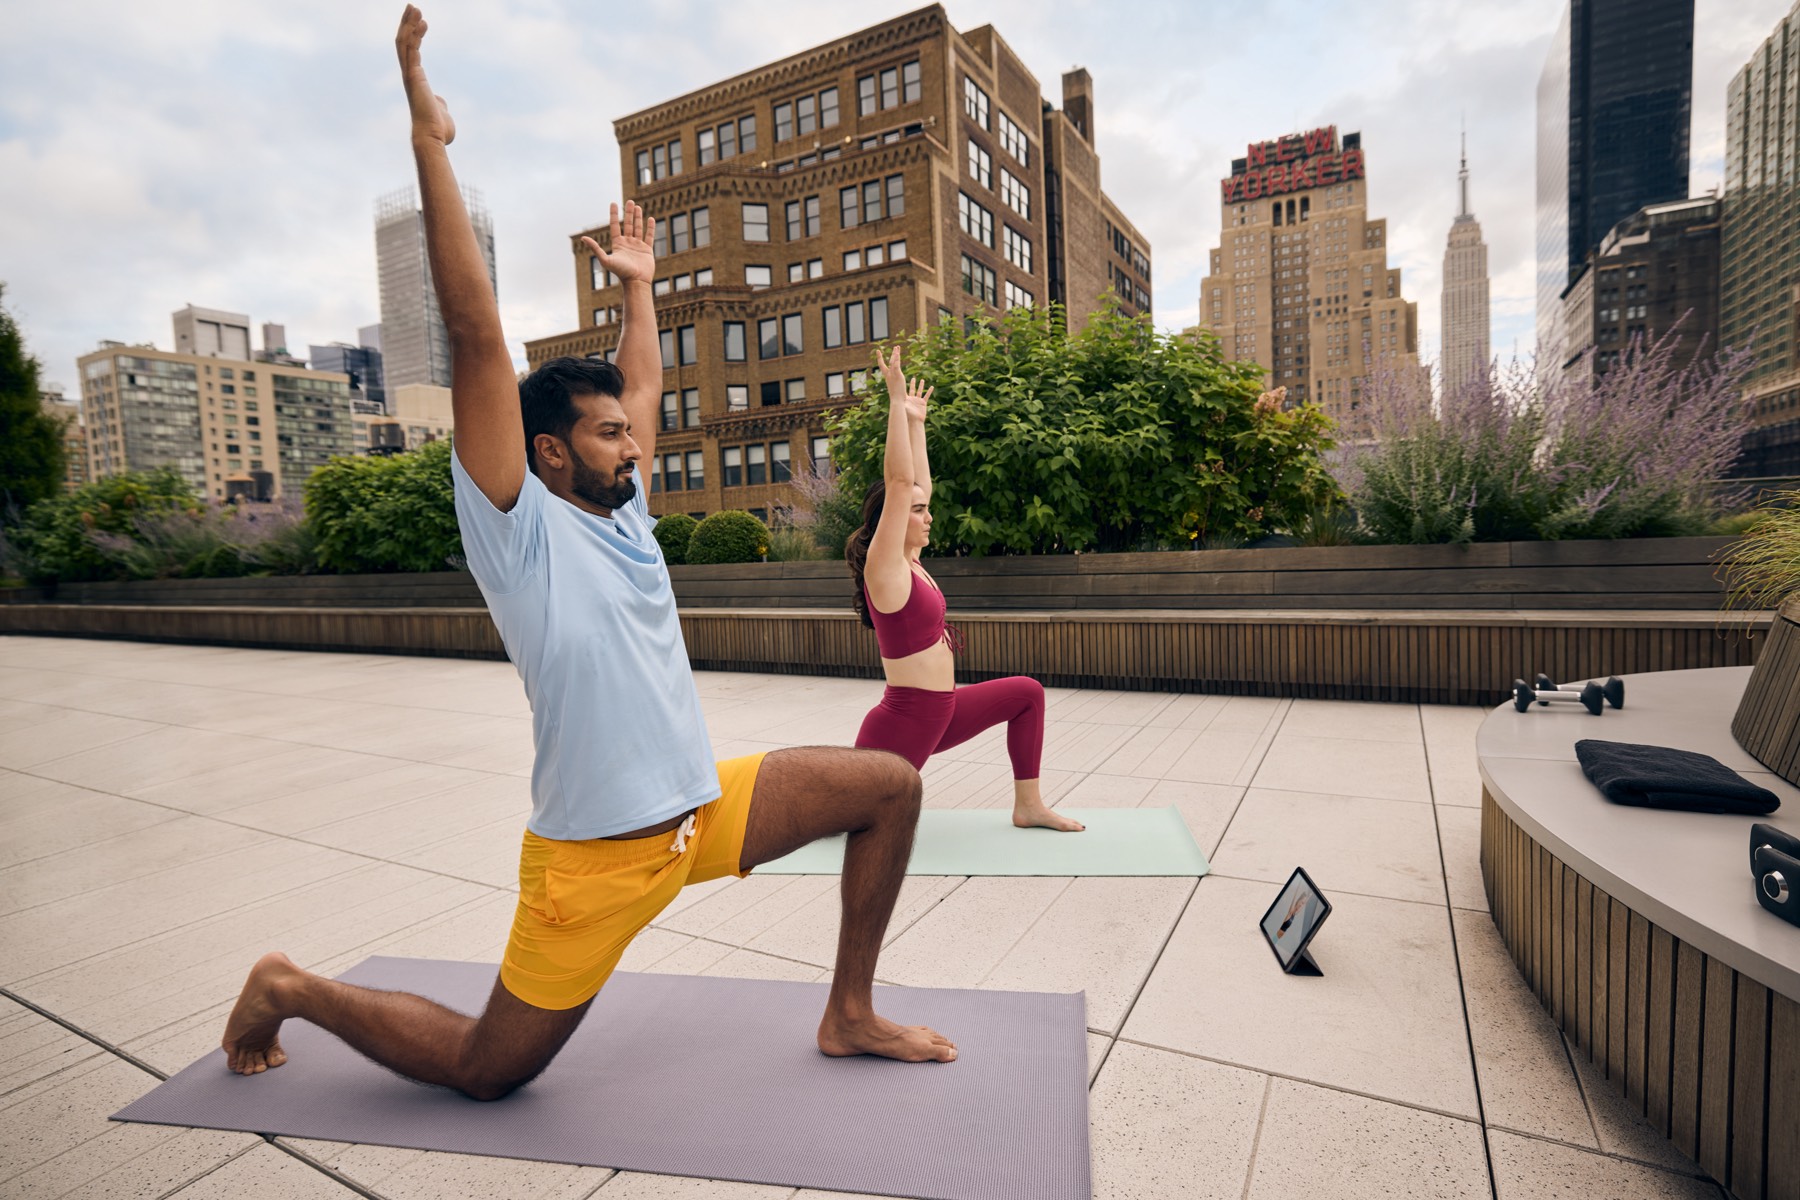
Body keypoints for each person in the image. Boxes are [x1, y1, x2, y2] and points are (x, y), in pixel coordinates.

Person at [218, 5, 954, 1101]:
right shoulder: (517, 523)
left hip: (702, 810)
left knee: (891, 787)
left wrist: (641, 288)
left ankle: (848, 1012)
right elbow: (475, 335)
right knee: (486, 1071)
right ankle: (289, 986)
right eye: (610, 435)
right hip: (595, 858)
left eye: (629, 431)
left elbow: (643, 385)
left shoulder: (623, 506)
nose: (634, 443)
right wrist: (427, 141)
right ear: (549, 452)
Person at [845, 348, 1082, 833]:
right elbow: (900, 480)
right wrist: (893, 402)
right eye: (915, 512)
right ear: (887, 520)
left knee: (1027, 694)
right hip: (906, 722)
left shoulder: (912, 562)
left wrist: (916, 422)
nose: (928, 515)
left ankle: (1029, 806)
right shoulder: (885, 567)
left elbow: (918, 484)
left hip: (943, 709)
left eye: (923, 508)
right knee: (856, 818)